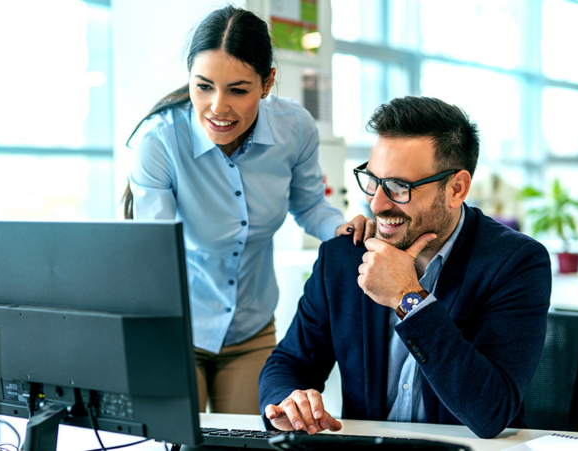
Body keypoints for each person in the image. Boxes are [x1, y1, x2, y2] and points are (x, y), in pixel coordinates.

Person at [122, 6, 373, 415]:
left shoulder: (295, 127)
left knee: (248, 442)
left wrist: (347, 230)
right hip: (176, 326)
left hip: (252, 329)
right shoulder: (161, 140)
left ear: (267, 82)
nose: (217, 107)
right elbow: (155, 253)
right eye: (203, 86)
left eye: (238, 90)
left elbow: (310, 206)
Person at [258, 96, 552, 438]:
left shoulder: (515, 263)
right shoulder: (343, 256)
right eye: (372, 180)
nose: (376, 203)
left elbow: (491, 411)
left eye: (400, 187)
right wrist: (288, 401)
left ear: (456, 189)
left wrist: (407, 297)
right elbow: (288, 363)